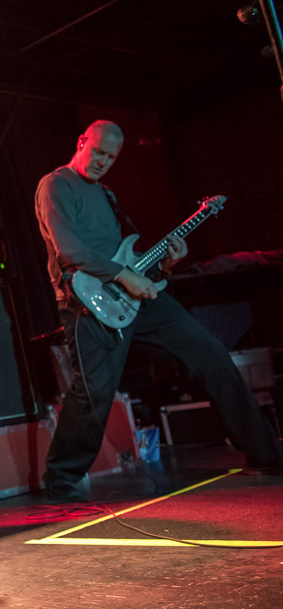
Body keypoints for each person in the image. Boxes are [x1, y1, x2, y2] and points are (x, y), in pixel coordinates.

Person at [35, 119, 283, 501]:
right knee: (94, 391)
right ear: (82, 141)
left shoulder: (106, 194)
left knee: (211, 353)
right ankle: (60, 480)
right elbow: (70, 250)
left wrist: (164, 265)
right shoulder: (56, 185)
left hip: (132, 293)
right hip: (86, 301)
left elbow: (123, 253)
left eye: (111, 157)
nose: (102, 161)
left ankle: (265, 454)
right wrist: (124, 276)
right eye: (97, 152)